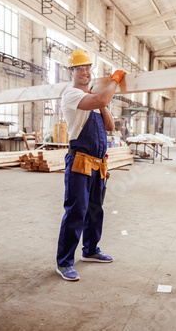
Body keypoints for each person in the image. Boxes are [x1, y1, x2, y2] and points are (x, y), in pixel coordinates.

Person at [56, 49, 126, 281]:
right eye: (79, 68)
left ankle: (91, 250)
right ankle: (64, 262)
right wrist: (114, 81)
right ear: (71, 71)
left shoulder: (92, 99)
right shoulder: (72, 95)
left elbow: (110, 126)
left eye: (87, 67)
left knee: (95, 209)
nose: (84, 71)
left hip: (99, 164)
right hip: (80, 161)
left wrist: (99, 101)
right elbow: (103, 98)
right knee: (76, 211)